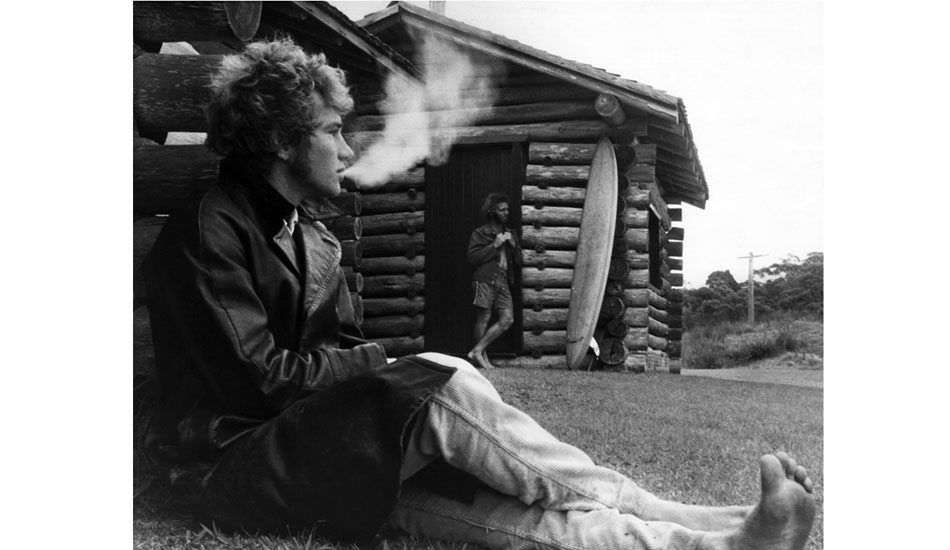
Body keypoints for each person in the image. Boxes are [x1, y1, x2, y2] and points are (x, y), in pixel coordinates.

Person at [143, 37, 817, 550]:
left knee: (503, 513)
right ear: (281, 140)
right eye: (331, 131)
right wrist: (383, 366)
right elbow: (259, 383)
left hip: (323, 452)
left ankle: (718, 540)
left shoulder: (316, 239)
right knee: (445, 378)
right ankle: (695, 523)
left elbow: (338, 357)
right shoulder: (210, 229)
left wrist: (372, 370)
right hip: (231, 468)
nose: (347, 149)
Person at [466, 193, 521, 369]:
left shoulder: (511, 233)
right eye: (502, 209)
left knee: (507, 319)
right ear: (492, 211)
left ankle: (477, 350)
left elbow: (519, 262)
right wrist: (494, 245)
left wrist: (514, 247)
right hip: (485, 279)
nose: (506, 212)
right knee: (484, 318)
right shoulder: (480, 233)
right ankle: (483, 359)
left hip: (503, 280)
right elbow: (472, 258)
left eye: (507, 209)